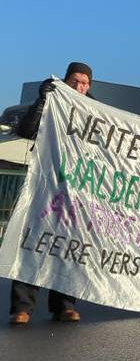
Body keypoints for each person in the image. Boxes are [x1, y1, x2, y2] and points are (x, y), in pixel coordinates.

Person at [10, 62, 93, 325]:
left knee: (70, 248)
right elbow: (26, 131)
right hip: (45, 186)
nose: (80, 87)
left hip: (75, 191)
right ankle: (22, 306)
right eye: (75, 81)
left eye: (85, 83)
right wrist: (41, 100)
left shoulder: (95, 112)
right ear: (65, 81)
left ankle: (65, 305)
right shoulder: (50, 103)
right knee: (33, 242)